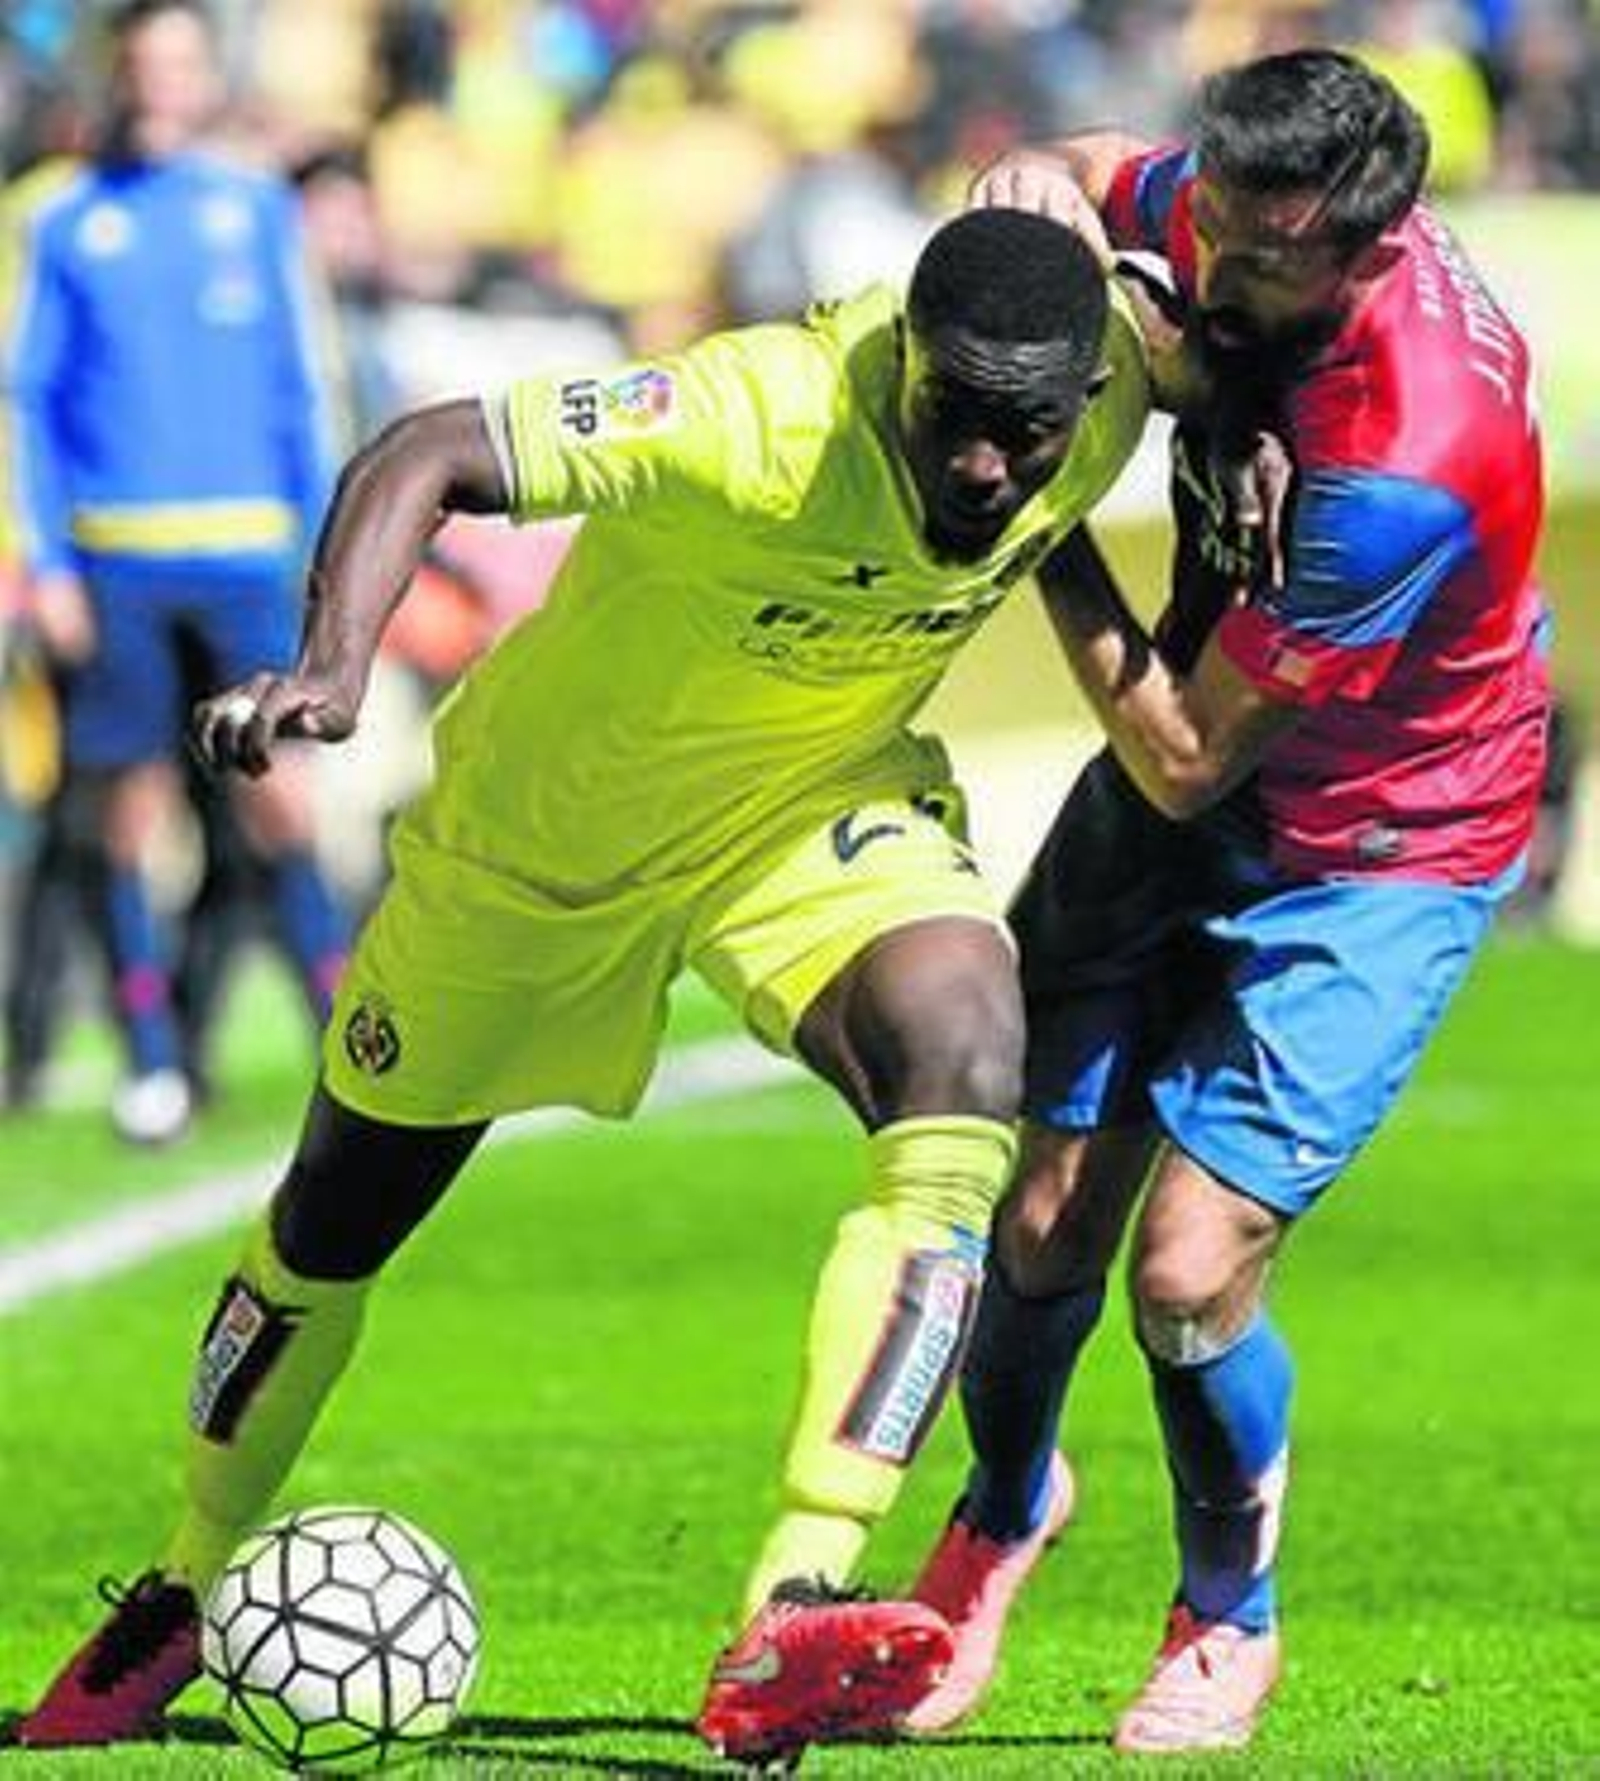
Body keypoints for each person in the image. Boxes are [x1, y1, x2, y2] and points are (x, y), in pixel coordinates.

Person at [18, 205, 1154, 1768]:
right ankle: (181, 1587)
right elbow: (425, 450)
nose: (983, 466)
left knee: (965, 1051)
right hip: (532, 851)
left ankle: (792, 1600)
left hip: (806, 816)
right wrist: (335, 670)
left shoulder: (1114, 406)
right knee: (334, 1218)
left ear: (1088, 399)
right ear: (902, 360)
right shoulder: (765, 409)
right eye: (953, 413)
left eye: (1023, 431)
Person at [900, 47, 1549, 1754]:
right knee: (1035, 1219)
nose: (1212, 277)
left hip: (1370, 845)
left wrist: (1036, 519)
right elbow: (1083, 163)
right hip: (1198, 780)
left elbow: (1185, 752)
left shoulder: (1408, 450)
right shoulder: (1244, 212)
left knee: (1184, 1272)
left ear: (1364, 249)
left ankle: (1224, 1619)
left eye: (1260, 269)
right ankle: (999, 1514)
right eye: (1216, 239)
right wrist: (1028, 197)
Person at [0, 0, 350, 1143]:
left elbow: (302, 389)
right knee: (126, 810)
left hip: (246, 552)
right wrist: (44, 561)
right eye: (144, 64)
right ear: (119, 74)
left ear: (206, 77)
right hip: (117, 559)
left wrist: (322, 557)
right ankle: (149, 1054)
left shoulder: (253, 210)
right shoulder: (67, 217)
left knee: (279, 802)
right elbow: (31, 403)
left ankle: (345, 1044)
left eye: (180, 64)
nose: (161, 83)